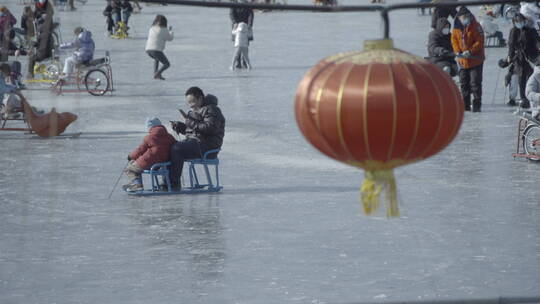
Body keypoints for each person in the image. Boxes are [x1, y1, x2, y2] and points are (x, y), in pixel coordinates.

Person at [169, 87, 225, 191]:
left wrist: (188, 121)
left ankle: (174, 183)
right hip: (196, 143)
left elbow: (210, 128)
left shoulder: (212, 109)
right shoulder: (194, 111)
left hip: (208, 146)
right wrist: (180, 126)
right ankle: (166, 182)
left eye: (193, 102)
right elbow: (192, 130)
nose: (191, 105)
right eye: (189, 102)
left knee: (177, 148)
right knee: (169, 146)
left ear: (200, 98)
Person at [123, 117, 176, 192]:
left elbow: (140, 150)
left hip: (149, 162)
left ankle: (137, 184)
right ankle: (165, 184)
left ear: (150, 127)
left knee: (130, 169)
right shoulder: (170, 137)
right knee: (134, 164)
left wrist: (130, 156)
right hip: (164, 164)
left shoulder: (149, 137)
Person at [451, 6, 485, 112]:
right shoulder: (456, 28)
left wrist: (470, 51)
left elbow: (480, 41)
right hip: (462, 61)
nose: (464, 19)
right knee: (464, 83)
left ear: (470, 16)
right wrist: (458, 51)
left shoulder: (476, 26)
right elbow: (454, 40)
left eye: (466, 16)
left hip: (475, 59)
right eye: (462, 17)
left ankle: (477, 104)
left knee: (475, 82)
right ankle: (465, 105)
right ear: (459, 18)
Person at [505, 13, 540, 108]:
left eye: (521, 21)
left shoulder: (530, 30)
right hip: (519, 59)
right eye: (517, 22)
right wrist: (509, 57)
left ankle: (529, 99)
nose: (519, 23)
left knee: (531, 78)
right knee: (521, 80)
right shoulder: (513, 31)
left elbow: (537, 41)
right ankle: (523, 99)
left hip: (531, 58)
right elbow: (511, 45)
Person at [145, 15, 173, 80]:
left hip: (148, 50)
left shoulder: (152, 28)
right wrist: (170, 31)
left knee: (156, 59)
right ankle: (157, 73)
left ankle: (156, 74)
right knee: (167, 64)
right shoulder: (164, 29)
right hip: (156, 50)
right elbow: (170, 38)